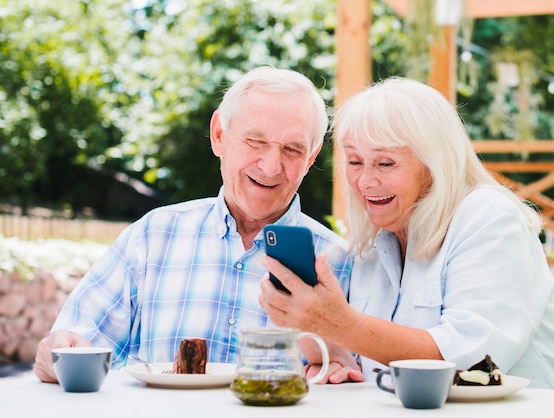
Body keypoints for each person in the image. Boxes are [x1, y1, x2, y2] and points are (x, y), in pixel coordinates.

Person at [259, 77, 554, 389]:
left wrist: (341, 325)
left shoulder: (488, 217)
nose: (364, 181)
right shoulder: (374, 247)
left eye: (385, 164)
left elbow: (473, 363)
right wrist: (338, 359)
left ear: (434, 165)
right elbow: (383, 364)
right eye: (355, 162)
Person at [34, 66, 355, 383]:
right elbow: (75, 341)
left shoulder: (342, 266)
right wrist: (60, 352)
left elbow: (359, 382)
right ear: (219, 136)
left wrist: (338, 373)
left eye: (292, 149)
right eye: (255, 141)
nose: (271, 167)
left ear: (311, 158)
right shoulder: (151, 236)